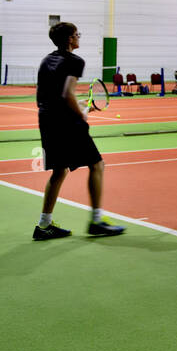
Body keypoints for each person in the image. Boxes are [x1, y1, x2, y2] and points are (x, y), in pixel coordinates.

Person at [32, 22, 125, 240]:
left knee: (59, 170)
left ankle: (44, 225)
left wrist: (79, 104)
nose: (78, 37)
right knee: (97, 165)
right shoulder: (75, 61)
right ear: (69, 40)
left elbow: (53, 95)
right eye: (76, 35)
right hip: (66, 122)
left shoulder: (47, 60)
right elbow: (66, 93)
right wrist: (81, 114)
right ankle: (96, 221)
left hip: (46, 119)